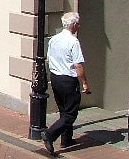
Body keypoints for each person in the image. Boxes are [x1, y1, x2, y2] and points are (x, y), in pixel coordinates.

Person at [42, 12, 90, 155]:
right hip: (68, 80)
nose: (79, 26)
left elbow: (48, 58)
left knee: (63, 109)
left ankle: (66, 139)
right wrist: (85, 83)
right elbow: (78, 65)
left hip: (56, 78)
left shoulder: (54, 39)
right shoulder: (73, 42)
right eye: (78, 24)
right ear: (74, 25)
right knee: (70, 114)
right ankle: (50, 134)